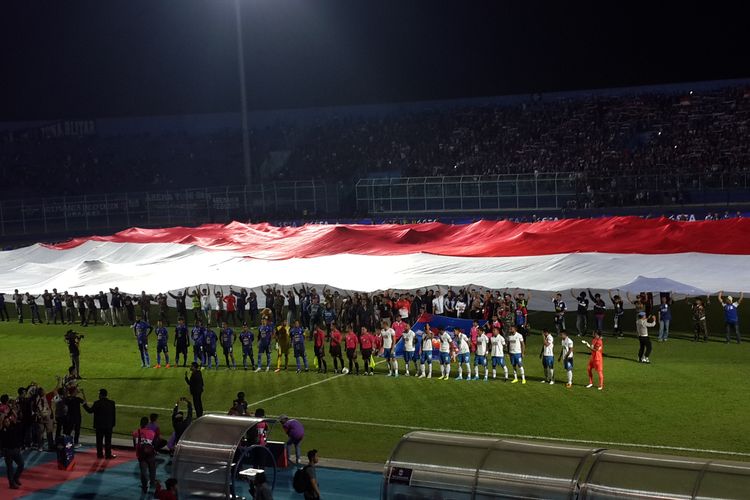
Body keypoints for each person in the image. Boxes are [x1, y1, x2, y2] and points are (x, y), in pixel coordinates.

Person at [82, 388, 117, 459]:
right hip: (108, 425)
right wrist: (113, 424)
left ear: (101, 395)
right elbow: (113, 415)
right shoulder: (112, 403)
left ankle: (100, 455)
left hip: (99, 426)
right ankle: (108, 455)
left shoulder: (97, 403)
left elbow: (90, 411)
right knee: (108, 441)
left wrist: (84, 405)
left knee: (99, 441)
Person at [132, 416, 156, 494]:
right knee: (152, 469)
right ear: (147, 424)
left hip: (141, 455)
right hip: (150, 454)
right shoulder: (152, 433)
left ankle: (144, 486)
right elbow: (154, 444)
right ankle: (152, 484)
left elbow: (135, 446)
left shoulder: (135, 433)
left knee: (143, 472)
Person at [1, 411, 24, 489]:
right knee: (10, 468)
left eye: (8, 421)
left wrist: (12, 411)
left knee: (21, 464)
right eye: (5, 422)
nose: (7, 422)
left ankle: (15, 478)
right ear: (3, 423)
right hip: (7, 451)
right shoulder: (2, 431)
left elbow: (16, 417)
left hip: (15, 450)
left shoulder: (13, 426)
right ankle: (11, 483)